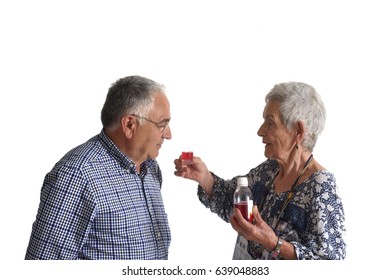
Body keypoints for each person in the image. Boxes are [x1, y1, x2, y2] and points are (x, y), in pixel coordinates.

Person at [174, 82, 346, 260]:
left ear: (298, 131)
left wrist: (273, 243)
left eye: (270, 123)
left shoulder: (321, 187)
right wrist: (205, 178)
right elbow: (232, 203)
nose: (260, 131)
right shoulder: (269, 170)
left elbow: (330, 263)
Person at [25, 75, 172, 260]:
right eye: (162, 125)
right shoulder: (77, 175)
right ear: (129, 124)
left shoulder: (150, 169)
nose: (168, 134)